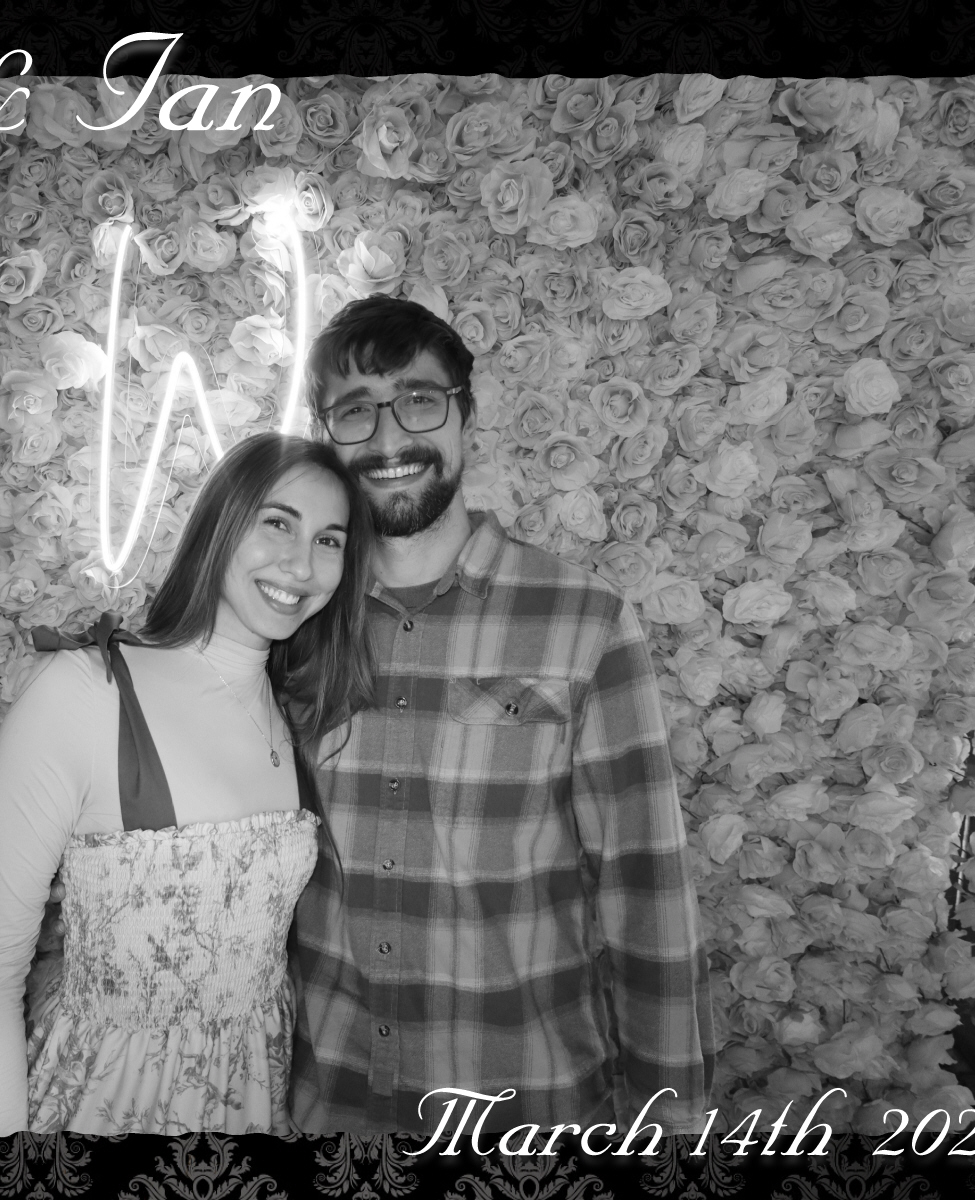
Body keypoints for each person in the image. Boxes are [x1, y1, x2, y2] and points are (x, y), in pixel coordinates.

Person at [288, 296, 716, 1137]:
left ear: (467, 417)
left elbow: (645, 886)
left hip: (526, 1113)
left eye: (418, 400)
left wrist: (671, 1123)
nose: (388, 438)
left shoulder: (583, 621)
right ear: (325, 434)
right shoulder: (295, 623)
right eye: (355, 411)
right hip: (331, 1102)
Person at [0, 432, 375, 1135]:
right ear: (220, 523)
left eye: (329, 541)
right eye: (278, 523)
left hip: (253, 1104)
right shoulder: (88, 692)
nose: (302, 564)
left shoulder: (295, 713)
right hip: (108, 1105)